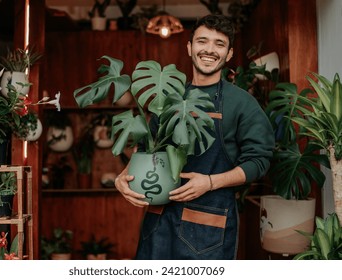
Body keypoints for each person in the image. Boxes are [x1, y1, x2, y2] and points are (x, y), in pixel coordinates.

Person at [114, 14, 275, 260]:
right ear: (190, 47)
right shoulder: (169, 98)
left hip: (208, 228)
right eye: (202, 41)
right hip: (159, 222)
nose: (209, 50)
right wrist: (123, 177)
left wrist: (210, 182)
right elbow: (148, 148)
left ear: (229, 54)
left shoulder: (242, 103)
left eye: (219, 44)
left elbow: (259, 162)